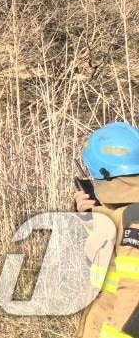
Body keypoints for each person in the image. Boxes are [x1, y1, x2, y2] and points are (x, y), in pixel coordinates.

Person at [74, 122, 139, 338]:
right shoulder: (123, 210)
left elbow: (134, 294)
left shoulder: (134, 219)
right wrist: (90, 218)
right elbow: (108, 259)